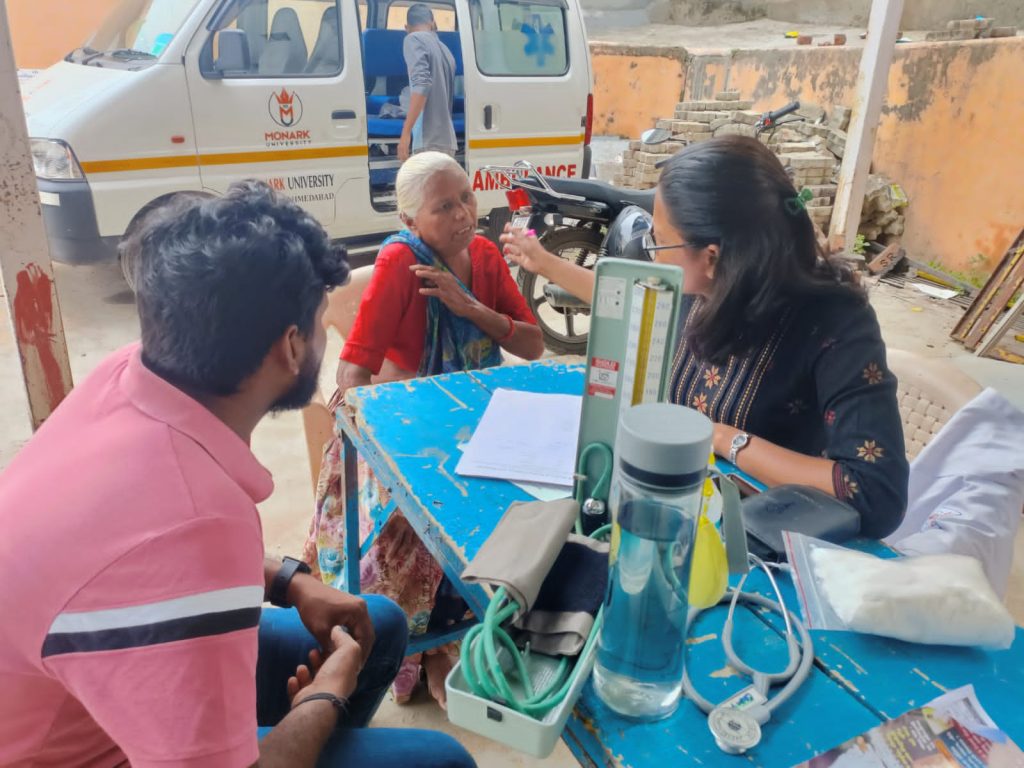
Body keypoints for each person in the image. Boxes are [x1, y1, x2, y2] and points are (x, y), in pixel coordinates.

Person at [0, 181, 475, 768]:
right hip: (79, 751)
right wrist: (324, 698)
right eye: (321, 321)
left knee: (374, 622)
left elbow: (137, 555)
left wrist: (291, 582)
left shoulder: (129, 374)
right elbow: (172, 548)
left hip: (79, 684)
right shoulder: (196, 521)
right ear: (291, 348)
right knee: (438, 760)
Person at [501, 136, 909, 538]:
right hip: (682, 507)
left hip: (767, 539)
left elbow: (874, 492)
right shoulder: (702, 288)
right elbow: (622, 299)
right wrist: (544, 262)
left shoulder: (837, 325)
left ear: (712, 257)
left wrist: (722, 438)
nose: (653, 251)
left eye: (660, 240)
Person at [303, 151, 543, 708]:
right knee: (419, 523)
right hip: (404, 431)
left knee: (515, 505)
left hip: (479, 420)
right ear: (410, 220)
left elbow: (532, 344)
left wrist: (470, 307)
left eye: (466, 198)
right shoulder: (400, 264)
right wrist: (373, 438)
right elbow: (354, 368)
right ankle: (428, 647)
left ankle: (465, 630)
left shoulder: (484, 257)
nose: (463, 214)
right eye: (444, 207)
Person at [398, 3, 457, 162]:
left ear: (406, 27)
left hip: (428, 141)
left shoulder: (413, 39)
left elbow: (422, 85)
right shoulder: (445, 49)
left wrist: (405, 133)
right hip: (447, 141)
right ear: (432, 23)